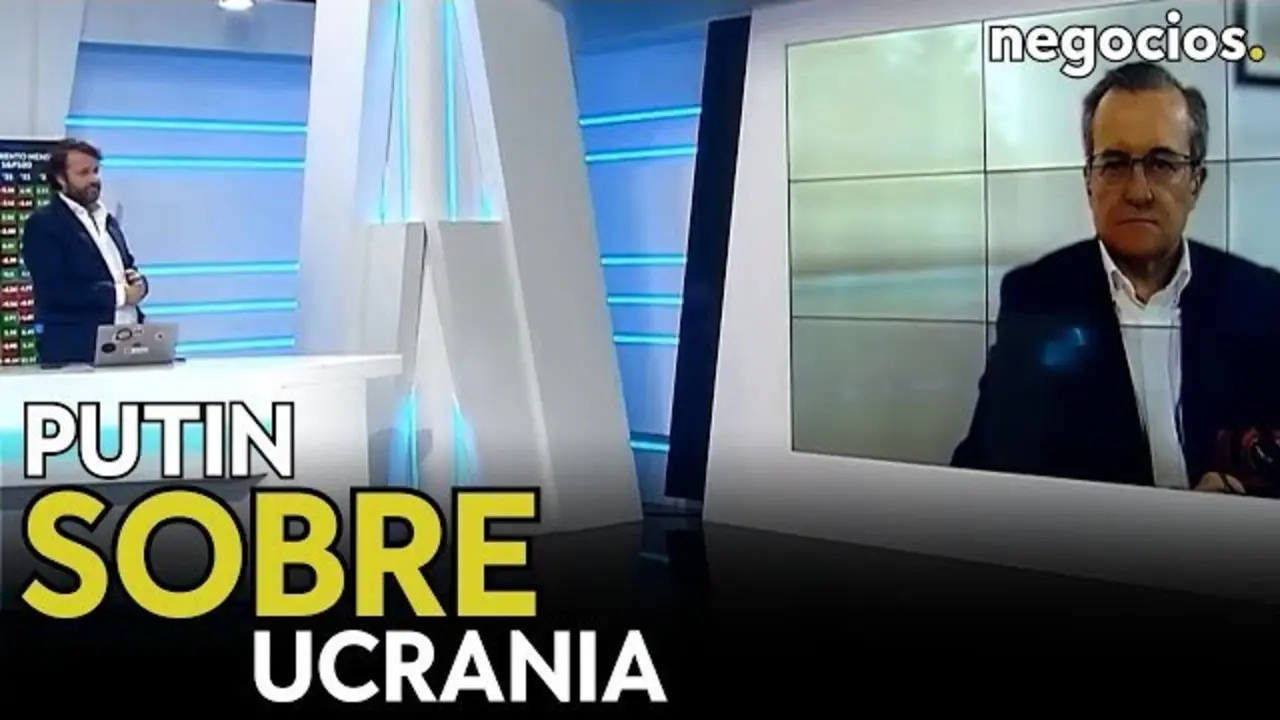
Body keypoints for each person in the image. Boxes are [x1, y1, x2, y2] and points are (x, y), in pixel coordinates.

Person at [953, 61, 1280, 497]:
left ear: (1196, 183)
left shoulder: (1261, 297)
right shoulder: (1037, 297)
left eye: (1162, 163)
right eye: (1114, 164)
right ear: (1089, 182)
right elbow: (987, 472)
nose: (1139, 192)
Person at [20, 138, 148, 364]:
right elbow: (56, 290)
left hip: (128, 345)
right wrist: (120, 295)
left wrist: (139, 283)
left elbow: (127, 265)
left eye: (96, 171)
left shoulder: (107, 221)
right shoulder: (44, 224)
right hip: (78, 352)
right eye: (83, 173)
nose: (94, 179)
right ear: (61, 178)